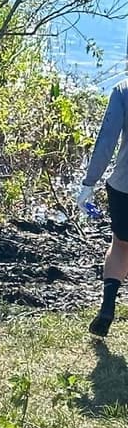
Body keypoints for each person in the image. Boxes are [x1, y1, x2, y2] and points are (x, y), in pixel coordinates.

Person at [79, 78, 128, 337]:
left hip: (124, 187)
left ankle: (108, 307)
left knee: (120, 245)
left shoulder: (123, 89)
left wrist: (89, 184)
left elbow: (105, 143)